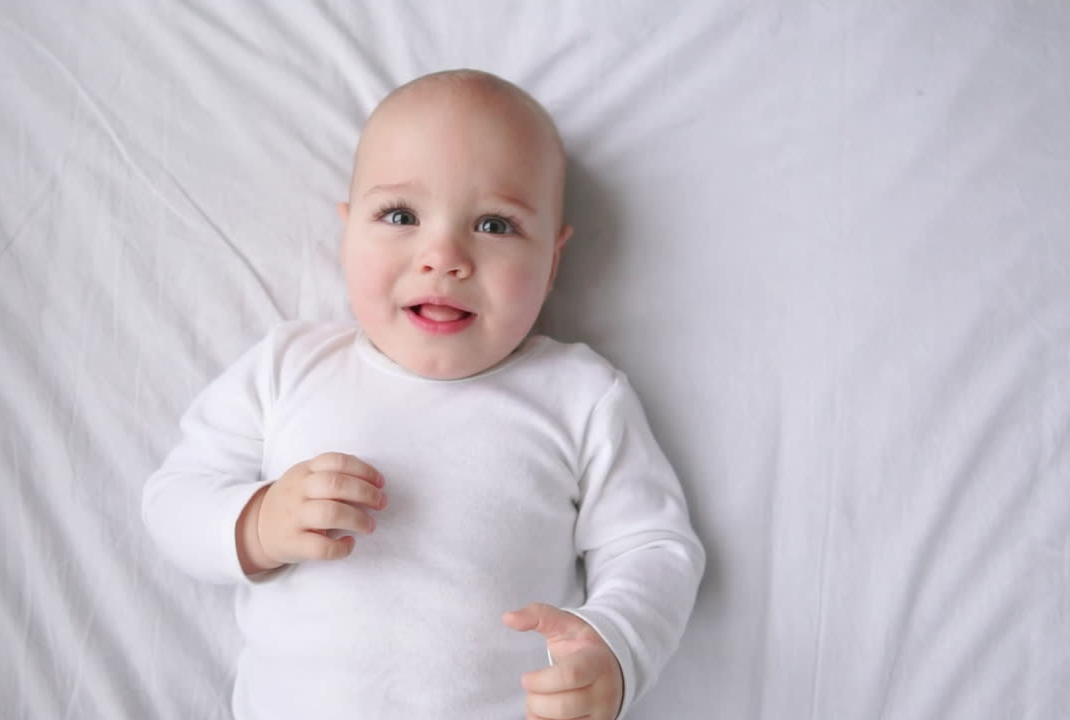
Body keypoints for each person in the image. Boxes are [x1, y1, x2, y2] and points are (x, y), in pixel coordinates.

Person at [142, 69, 705, 720]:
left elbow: (653, 548)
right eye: (400, 215)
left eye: (495, 225)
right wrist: (257, 524)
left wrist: (614, 646)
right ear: (348, 231)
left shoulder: (580, 397)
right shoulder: (288, 368)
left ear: (553, 262)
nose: (443, 256)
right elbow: (173, 499)